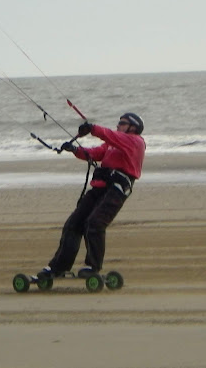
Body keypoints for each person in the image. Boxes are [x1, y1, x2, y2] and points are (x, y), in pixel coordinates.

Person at [40, 112, 146, 279]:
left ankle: (93, 267)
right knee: (73, 224)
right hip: (99, 188)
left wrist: (92, 128)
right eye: (118, 122)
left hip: (116, 189)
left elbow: (109, 135)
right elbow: (94, 153)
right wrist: (75, 149)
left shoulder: (135, 142)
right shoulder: (113, 144)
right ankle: (58, 267)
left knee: (95, 223)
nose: (118, 125)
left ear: (133, 127)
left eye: (123, 123)